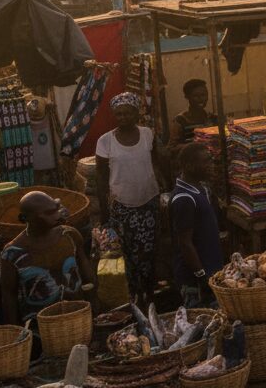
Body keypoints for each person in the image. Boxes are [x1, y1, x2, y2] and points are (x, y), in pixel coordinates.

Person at [94, 92, 165, 303]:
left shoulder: (147, 134)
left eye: (127, 113)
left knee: (148, 250)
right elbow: (100, 178)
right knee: (126, 253)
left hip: (148, 201)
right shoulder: (105, 141)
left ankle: (150, 293)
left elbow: (156, 163)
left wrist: (163, 186)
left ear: (136, 113)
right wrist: (105, 211)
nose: (122, 117)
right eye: (118, 114)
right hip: (121, 206)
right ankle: (133, 295)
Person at [0, 191, 92, 323]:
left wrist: (93, 299)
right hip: (39, 326)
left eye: (56, 210)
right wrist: (16, 331)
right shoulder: (12, 254)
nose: (56, 216)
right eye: (49, 213)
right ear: (27, 218)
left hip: (78, 317)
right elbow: (9, 296)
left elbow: (86, 270)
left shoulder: (69, 235)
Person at [170, 143, 223, 307]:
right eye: (206, 162)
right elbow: (185, 243)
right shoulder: (184, 198)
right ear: (189, 166)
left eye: (211, 161)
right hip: (195, 279)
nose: (211, 166)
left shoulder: (201, 188)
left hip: (209, 272)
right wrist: (201, 276)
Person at [170, 79, 217, 158]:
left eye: (204, 95)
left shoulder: (213, 118)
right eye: (196, 96)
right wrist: (194, 145)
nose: (201, 99)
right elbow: (171, 148)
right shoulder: (180, 120)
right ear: (187, 97)